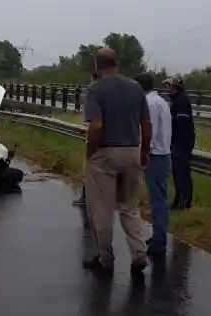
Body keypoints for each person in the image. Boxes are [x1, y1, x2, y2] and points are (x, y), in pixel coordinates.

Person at [82, 48, 152, 278]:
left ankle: (105, 258)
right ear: (116, 63)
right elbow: (146, 124)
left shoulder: (96, 89)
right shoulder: (135, 88)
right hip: (132, 150)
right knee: (129, 206)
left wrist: (91, 150)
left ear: (96, 65)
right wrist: (144, 151)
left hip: (106, 153)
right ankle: (139, 254)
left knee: (102, 209)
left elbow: (97, 126)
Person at [135, 73, 172, 256]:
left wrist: (144, 154)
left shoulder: (149, 104)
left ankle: (159, 240)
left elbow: (149, 132)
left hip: (155, 155)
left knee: (157, 200)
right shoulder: (161, 101)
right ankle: (159, 235)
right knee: (159, 198)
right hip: (164, 153)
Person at [165, 74, 195, 210]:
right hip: (177, 142)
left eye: (169, 85)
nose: (167, 88)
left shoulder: (182, 101)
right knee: (177, 173)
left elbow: (181, 123)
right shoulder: (176, 100)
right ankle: (179, 201)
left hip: (182, 143)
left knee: (182, 173)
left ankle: (184, 202)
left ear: (175, 86)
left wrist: (168, 120)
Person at [72, 70, 100, 208]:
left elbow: (93, 121)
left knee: (89, 169)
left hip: (95, 138)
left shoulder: (93, 92)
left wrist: (89, 137)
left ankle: (86, 197)